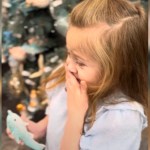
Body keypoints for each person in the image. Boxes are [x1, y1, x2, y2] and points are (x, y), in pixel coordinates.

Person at [7, 0, 148, 150]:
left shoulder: (120, 120)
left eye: (81, 62)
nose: (69, 65)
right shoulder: (72, 76)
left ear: (120, 67)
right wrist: (41, 127)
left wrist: (76, 115)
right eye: (69, 53)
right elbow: (58, 111)